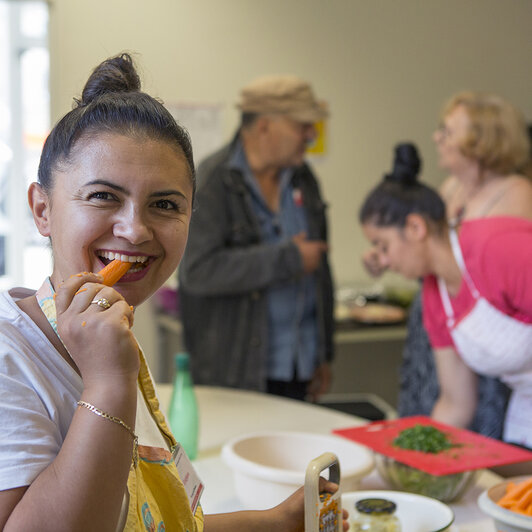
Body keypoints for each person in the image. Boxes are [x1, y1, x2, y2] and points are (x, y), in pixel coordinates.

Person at [0, 54, 348, 531]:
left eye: (165, 204)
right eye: (103, 196)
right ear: (42, 210)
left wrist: (275, 523)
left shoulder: (112, 337)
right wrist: (107, 384)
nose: (135, 230)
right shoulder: (12, 357)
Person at [363, 91, 532, 438]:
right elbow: (455, 404)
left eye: (448, 130)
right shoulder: (437, 287)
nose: (437, 137)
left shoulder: (506, 221)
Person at [178, 75, 334, 401]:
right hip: (237, 371)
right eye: (302, 126)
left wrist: (324, 355)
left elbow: (321, 271)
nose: (312, 135)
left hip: (299, 366)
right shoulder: (212, 181)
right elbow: (197, 272)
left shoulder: (304, 179)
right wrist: (289, 259)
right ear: (264, 127)